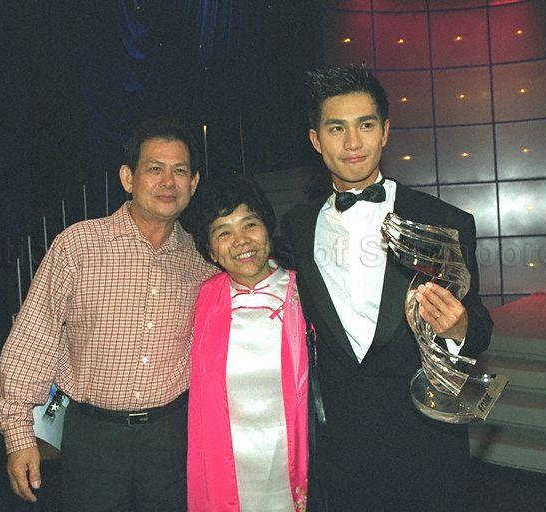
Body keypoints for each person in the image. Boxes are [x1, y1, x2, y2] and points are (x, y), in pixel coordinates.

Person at [283, 66, 493, 510]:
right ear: (316, 140)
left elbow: (479, 326)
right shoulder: (298, 227)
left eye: (366, 125)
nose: (353, 142)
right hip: (342, 443)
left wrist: (458, 327)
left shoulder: (444, 221)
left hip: (425, 436)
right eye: (336, 128)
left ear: (385, 133)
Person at [0, 116, 217, 511]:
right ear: (128, 178)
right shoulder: (79, 246)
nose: (168, 181)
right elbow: (33, 338)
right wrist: (19, 435)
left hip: (172, 438)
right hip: (93, 438)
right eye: (154, 169)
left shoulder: (203, 263)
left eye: (180, 171)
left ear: (193, 184)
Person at [186, 176, 309, 512]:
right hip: (227, 463)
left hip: (297, 457)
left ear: (267, 229)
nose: (241, 241)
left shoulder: (307, 293)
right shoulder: (204, 299)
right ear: (210, 250)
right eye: (223, 232)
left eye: (249, 224)